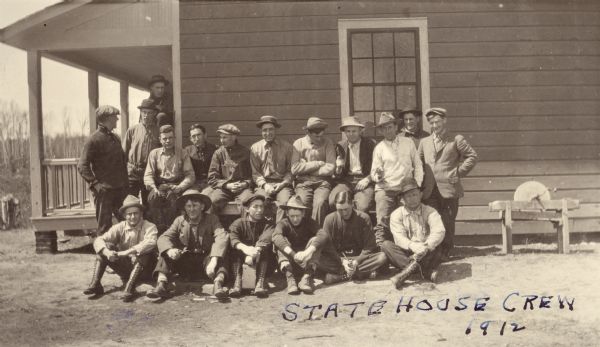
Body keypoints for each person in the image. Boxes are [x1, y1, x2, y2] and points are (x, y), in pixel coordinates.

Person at [146, 189, 229, 300]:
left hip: (206, 263)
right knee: (164, 254)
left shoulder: (212, 219)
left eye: (195, 205)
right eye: (188, 206)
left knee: (222, 254)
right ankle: (161, 284)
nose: (191, 209)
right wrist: (170, 250)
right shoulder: (179, 221)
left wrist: (213, 260)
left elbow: (221, 237)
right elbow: (164, 237)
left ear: (202, 207)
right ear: (184, 208)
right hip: (186, 262)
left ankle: (218, 285)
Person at [418, 107, 478, 261]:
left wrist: (458, 172)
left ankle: (446, 252)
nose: (434, 126)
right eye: (431, 123)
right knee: (432, 221)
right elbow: (418, 164)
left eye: (437, 122)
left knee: (448, 221)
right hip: (429, 189)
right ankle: (434, 252)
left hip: (449, 188)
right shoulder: (424, 142)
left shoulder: (456, 139)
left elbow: (472, 156)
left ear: (444, 121)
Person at [293, 191, 388, 284]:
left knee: (382, 257)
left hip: (358, 258)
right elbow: (328, 247)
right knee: (315, 257)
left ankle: (340, 277)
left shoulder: (364, 218)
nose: (344, 213)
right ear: (335, 207)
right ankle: (360, 274)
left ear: (352, 204)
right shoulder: (329, 219)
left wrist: (356, 262)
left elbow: (369, 247)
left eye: (346, 209)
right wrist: (343, 261)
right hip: (337, 260)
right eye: (340, 210)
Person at [83, 195, 158, 302]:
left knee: (145, 253)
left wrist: (125, 252)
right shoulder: (120, 226)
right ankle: (96, 284)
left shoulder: (149, 226)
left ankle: (130, 289)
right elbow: (99, 240)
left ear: (141, 213)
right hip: (127, 269)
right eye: (129, 214)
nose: (132, 217)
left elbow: (150, 242)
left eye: (136, 213)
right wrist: (107, 252)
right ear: (124, 215)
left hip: (146, 270)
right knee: (105, 247)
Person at [379, 177, 445, 288]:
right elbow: (398, 237)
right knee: (386, 245)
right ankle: (426, 272)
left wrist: (425, 246)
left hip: (427, 251)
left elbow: (439, 231)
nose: (412, 198)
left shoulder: (430, 211)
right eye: (408, 196)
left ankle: (406, 273)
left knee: (436, 246)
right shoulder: (396, 214)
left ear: (420, 195)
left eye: (415, 194)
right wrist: (412, 246)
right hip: (408, 251)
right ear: (402, 199)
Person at [77, 105, 128, 236]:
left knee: (126, 222)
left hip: (119, 189)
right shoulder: (93, 140)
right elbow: (82, 165)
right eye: (114, 117)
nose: (117, 119)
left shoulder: (115, 138)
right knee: (104, 226)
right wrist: (95, 184)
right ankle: (104, 255)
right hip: (104, 191)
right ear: (106, 119)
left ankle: (125, 253)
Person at [371, 112, 423, 223]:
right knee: (382, 220)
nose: (388, 131)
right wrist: (378, 175)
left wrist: (417, 184)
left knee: (410, 219)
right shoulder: (379, 148)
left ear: (395, 127)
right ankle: (382, 240)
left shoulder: (408, 143)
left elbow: (418, 165)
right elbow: (373, 173)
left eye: (390, 127)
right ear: (381, 131)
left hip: (406, 189)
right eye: (384, 129)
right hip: (386, 190)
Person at [144, 125, 195, 230]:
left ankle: (173, 231)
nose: (168, 141)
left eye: (170, 138)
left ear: (174, 138)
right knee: (153, 199)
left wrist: (180, 187)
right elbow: (148, 174)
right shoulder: (154, 154)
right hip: (159, 186)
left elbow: (190, 175)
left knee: (173, 202)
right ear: (160, 140)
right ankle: (156, 230)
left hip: (176, 186)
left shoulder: (182, 153)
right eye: (165, 138)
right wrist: (154, 188)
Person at [271, 195, 321, 295]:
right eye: (292, 216)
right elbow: (276, 236)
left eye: (297, 216)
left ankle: (306, 278)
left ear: (303, 213)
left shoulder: (309, 222)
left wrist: (307, 252)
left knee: (317, 240)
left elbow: (323, 235)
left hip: (306, 261)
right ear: (287, 214)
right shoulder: (283, 223)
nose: (295, 219)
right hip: (289, 263)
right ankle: (290, 280)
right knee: (281, 241)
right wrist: (294, 255)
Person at [291, 117, 336, 226]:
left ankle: (317, 234)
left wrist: (306, 169)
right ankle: (303, 234)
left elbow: (330, 168)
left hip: (322, 183)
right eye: (316, 135)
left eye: (321, 134)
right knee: (302, 203)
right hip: (303, 183)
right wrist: (318, 163)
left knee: (320, 203)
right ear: (308, 132)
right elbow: (294, 168)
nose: (320, 138)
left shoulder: (328, 142)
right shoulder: (298, 144)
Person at [228, 194, 275, 298]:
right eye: (255, 207)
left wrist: (254, 252)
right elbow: (233, 238)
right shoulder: (239, 223)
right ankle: (237, 283)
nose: (259, 210)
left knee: (264, 249)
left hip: (262, 261)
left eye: (261, 206)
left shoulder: (268, 224)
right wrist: (245, 249)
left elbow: (266, 238)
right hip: (241, 261)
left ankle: (260, 283)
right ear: (247, 209)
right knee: (235, 250)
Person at [328, 116, 376, 213]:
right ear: (345, 132)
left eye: (354, 131)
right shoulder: (340, 146)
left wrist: (368, 179)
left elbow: (378, 167)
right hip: (346, 181)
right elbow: (337, 175)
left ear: (360, 131)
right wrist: (338, 169)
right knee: (333, 201)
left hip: (365, 180)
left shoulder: (370, 144)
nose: (351, 134)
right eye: (348, 131)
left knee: (362, 206)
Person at [250, 115, 294, 222]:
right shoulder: (255, 148)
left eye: (271, 129)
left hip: (282, 184)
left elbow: (290, 171)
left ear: (276, 130)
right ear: (261, 131)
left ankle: (279, 232)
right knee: (260, 203)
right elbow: (255, 173)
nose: (268, 133)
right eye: (265, 130)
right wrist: (265, 185)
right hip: (264, 184)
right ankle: (264, 232)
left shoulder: (287, 147)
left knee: (284, 203)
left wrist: (283, 184)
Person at [207, 124, 254, 214]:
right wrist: (227, 185)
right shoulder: (218, 153)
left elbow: (252, 175)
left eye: (225, 137)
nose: (221, 140)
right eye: (220, 137)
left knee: (249, 201)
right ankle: (214, 227)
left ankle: (245, 227)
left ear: (234, 137)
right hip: (224, 188)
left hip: (242, 189)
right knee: (213, 201)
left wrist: (244, 184)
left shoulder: (245, 152)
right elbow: (212, 178)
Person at [124, 99, 161, 206]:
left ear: (154, 114)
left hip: (149, 173)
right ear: (141, 113)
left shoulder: (158, 131)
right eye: (144, 112)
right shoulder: (132, 130)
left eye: (149, 113)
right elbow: (124, 153)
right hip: (132, 172)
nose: (146, 115)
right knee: (130, 202)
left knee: (149, 203)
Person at [183, 123, 217, 192]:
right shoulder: (187, 151)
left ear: (205, 135)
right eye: (193, 136)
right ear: (190, 139)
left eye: (199, 135)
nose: (197, 138)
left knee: (207, 197)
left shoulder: (215, 149)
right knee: (189, 197)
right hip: (194, 184)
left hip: (211, 183)